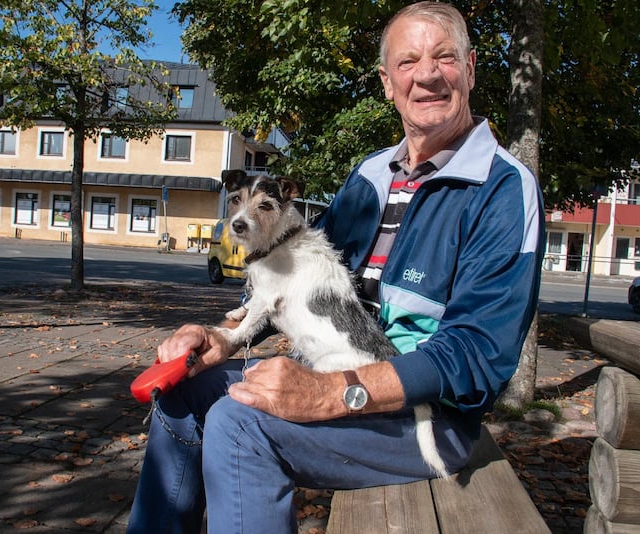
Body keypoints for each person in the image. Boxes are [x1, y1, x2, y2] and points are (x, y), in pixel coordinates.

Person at [126, 2, 544, 533]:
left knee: (239, 421)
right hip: (341, 376)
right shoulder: (371, 174)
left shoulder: (504, 189)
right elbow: (296, 274)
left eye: (445, 57)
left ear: (472, 67)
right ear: (387, 81)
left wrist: (336, 391)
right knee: (182, 391)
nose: (428, 75)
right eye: (408, 61)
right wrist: (225, 335)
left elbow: (477, 356)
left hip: (426, 420)